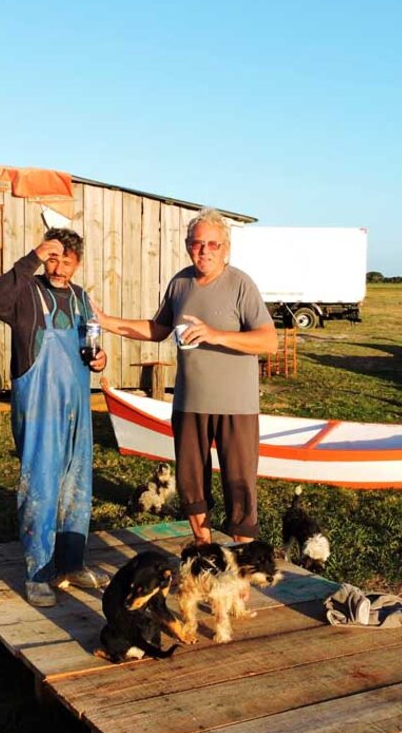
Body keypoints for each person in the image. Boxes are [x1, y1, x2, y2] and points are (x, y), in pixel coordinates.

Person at [93, 208, 277, 544]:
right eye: (197, 243)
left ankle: (243, 564)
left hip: (236, 407)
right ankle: (204, 551)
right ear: (187, 245)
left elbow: (268, 340)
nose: (204, 250)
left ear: (226, 248)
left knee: (239, 486)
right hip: (190, 403)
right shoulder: (180, 283)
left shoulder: (240, 284)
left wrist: (216, 334)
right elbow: (158, 329)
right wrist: (107, 321)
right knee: (191, 483)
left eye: (213, 244)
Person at [0, 228, 110, 608]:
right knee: (40, 486)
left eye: (66, 261)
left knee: (77, 487)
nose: (58, 267)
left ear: (77, 263)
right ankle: (38, 572)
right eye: (53, 258)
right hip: (39, 408)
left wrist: (100, 360)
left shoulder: (81, 298)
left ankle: (70, 564)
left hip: (76, 408)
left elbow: (91, 345)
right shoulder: (24, 294)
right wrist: (32, 256)